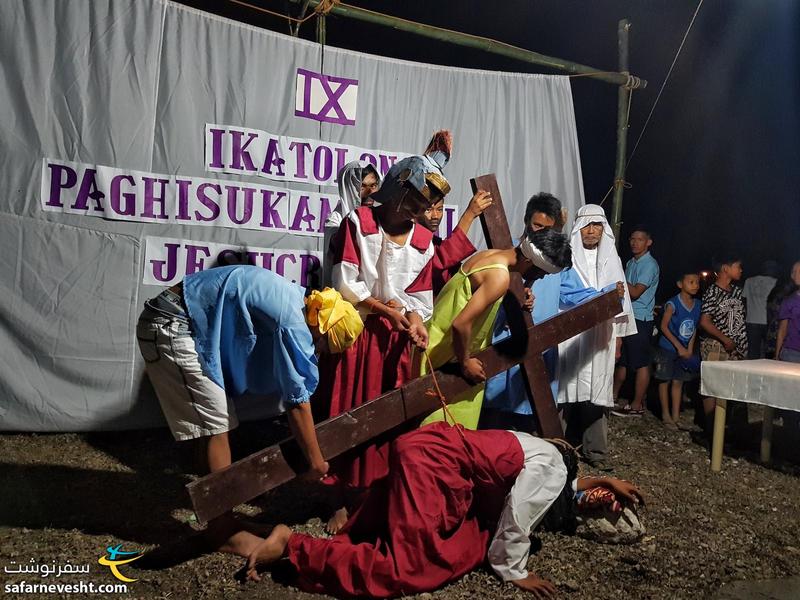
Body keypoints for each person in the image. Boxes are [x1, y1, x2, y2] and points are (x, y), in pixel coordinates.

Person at [245, 422, 644, 598]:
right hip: (432, 464)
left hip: (433, 459)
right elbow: (521, 515)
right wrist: (515, 572)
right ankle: (293, 546)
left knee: (463, 546)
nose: (607, 500)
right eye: (612, 499)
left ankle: (346, 536)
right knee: (410, 569)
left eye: (609, 510)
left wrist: (601, 486)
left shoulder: (548, 467)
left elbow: (556, 492)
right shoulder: (553, 467)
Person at [136, 265, 363, 557]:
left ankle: (221, 515)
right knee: (217, 424)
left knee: (214, 422)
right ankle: (223, 531)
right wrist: (316, 462)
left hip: (176, 319)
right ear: (322, 329)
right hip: (170, 324)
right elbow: (296, 402)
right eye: (321, 346)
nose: (315, 351)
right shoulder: (292, 322)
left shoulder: (299, 299)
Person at [318, 131, 451, 532]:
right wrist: (383, 310)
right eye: (412, 201)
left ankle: (373, 495)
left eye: (422, 204)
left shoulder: (425, 240)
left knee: (388, 416)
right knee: (348, 410)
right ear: (394, 191)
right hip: (359, 334)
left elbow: (419, 299)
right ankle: (340, 496)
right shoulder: (358, 223)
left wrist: (413, 323)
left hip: (392, 342)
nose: (417, 210)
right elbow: (347, 283)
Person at [419, 228, 572, 429]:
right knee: (443, 432)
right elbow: (460, 323)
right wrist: (465, 362)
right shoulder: (500, 278)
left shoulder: (490, 255)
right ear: (529, 262)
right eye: (542, 272)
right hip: (448, 355)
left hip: (433, 342)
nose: (542, 278)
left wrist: (518, 296)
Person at [556, 205, 635, 470]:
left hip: (601, 334)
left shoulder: (613, 260)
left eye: (597, 225)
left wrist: (620, 337)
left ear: (604, 229)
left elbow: (621, 305)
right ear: (579, 228)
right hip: (571, 334)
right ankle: (556, 447)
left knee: (595, 391)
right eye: (587, 225)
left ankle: (596, 452)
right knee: (566, 386)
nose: (591, 231)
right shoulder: (566, 258)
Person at [613, 226, 660, 416]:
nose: (634, 242)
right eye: (632, 238)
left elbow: (634, 292)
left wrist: (618, 274)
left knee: (641, 362)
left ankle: (637, 405)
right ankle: (612, 397)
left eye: (639, 239)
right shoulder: (632, 262)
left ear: (648, 242)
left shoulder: (649, 264)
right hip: (628, 315)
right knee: (623, 360)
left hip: (641, 318)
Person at [698, 255, 747, 430]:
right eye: (738, 266)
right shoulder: (712, 291)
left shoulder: (737, 292)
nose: (741, 270)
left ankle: (727, 428)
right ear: (725, 268)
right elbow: (705, 321)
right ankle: (712, 429)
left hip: (734, 348)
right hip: (715, 345)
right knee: (712, 387)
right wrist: (725, 339)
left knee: (730, 387)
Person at [418, 189, 492, 295]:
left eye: (439, 209)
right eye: (428, 210)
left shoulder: (435, 242)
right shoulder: (410, 237)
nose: (435, 216)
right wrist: (469, 215)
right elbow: (440, 259)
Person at [653, 272, 701, 430]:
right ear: (680, 284)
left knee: (678, 382)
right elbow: (664, 327)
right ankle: (666, 415)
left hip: (683, 350)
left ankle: (676, 416)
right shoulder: (673, 304)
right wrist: (679, 347)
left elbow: (693, 329)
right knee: (664, 380)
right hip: (667, 348)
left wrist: (688, 348)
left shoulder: (698, 305)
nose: (695, 285)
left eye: (697, 282)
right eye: (691, 282)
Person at [324, 161, 381, 228]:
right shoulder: (334, 222)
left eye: (373, 185)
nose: (370, 192)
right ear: (349, 188)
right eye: (362, 186)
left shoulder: (382, 217)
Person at [743, 261, 780, 359]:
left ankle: (753, 372)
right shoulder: (776, 282)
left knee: (753, 352)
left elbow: (744, 300)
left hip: (752, 321)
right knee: (768, 352)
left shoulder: (749, 281)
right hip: (768, 321)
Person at [775, 261, 800, 363]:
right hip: (791, 353)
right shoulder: (788, 301)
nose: (796, 274)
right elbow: (782, 330)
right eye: (794, 271)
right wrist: (776, 355)